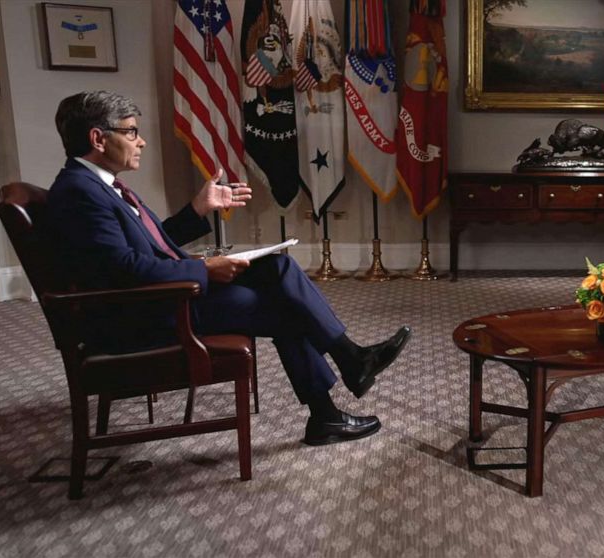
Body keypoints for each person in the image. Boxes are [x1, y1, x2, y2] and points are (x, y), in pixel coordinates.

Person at [46, 90, 410, 445]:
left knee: (277, 268)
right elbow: (124, 270)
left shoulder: (100, 187)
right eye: (131, 131)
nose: (140, 142)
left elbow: (153, 244)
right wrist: (204, 270)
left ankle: (349, 364)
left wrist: (197, 210)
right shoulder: (81, 192)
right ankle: (334, 400)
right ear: (98, 138)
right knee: (286, 307)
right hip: (146, 315)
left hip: (161, 298)